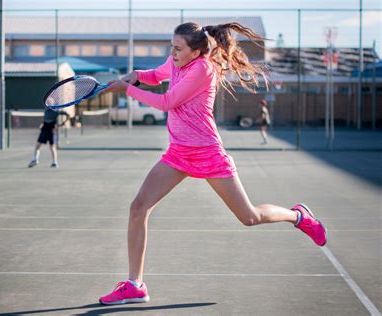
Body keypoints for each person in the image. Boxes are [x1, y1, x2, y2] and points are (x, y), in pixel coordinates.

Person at [99, 22, 327, 305]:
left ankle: (299, 216)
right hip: (178, 153)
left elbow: (167, 102)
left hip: (207, 152)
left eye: (178, 48)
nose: (173, 53)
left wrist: (127, 90)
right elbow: (157, 75)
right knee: (138, 207)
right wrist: (135, 76)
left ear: (196, 51)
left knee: (250, 217)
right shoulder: (177, 61)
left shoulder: (203, 69)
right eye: (171, 46)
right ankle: (135, 285)